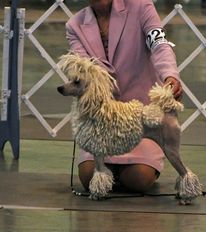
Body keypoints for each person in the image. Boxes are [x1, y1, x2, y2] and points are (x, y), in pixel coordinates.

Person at [65, 0, 183, 193]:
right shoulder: (74, 26)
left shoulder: (142, 7)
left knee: (138, 178)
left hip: (141, 119)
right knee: (88, 177)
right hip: (101, 124)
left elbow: (160, 45)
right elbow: (84, 75)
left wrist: (170, 75)